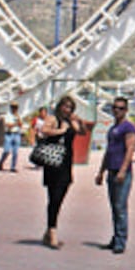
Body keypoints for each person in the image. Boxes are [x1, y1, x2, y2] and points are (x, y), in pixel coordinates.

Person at [39, 95, 88, 249]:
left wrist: (79, 121)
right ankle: (52, 231)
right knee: (54, 196)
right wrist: (60, 131)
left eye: (70, 108)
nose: (67, 110)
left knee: (60, 195)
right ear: (60, 106)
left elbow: (82, 132)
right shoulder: (53, 119)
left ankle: (49, 230)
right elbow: (44, 130)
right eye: (65, 107)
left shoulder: (71, 121)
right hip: (53, 162)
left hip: (66, 162)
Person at [94, 96, 135, 254]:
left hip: (121, 173)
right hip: (111, 170)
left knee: (120, 207)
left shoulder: (128, 128)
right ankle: (116, 237)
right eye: (115, 108)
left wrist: (123, 170)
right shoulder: (112, 129)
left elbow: (130, 149)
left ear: (126, 110)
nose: (117, 111)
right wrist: (101, 171)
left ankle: (121, 240)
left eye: (120, 108)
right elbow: (108, 151)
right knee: (114, 207)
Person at [0, 102, 23, 172]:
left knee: (15, 152)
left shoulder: (19, 115)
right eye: (13, 107)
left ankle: (13, 167)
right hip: (9, 134)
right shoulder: (7, 115)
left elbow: (21, 125)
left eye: (16, 107)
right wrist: (16, 123)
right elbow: (8, 125)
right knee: (6, 150)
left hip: (16, 134)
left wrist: (18, 120)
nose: (14, 109)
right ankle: (1, 162)